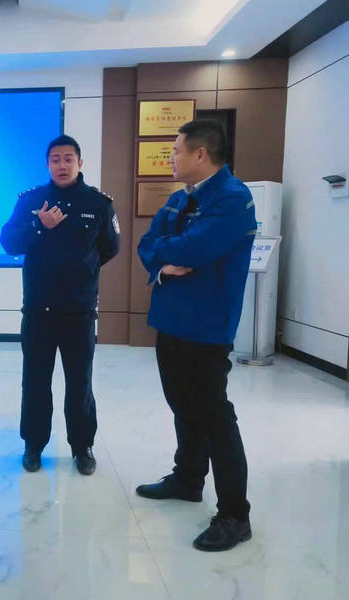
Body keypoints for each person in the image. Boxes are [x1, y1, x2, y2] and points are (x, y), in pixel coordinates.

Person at [136, 120, 256, 552]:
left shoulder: (233, 199)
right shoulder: (178, 199)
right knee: (182, 405)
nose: (171, 157)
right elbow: (146, 245)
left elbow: (193, 249)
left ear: (200, 154)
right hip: (170, 319)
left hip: (206, 325)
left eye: (176, 150)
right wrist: (164, 260)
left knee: (213, 415)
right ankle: (188, 479)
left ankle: (235, 514)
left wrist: (166, 252)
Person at [0, 134, 120, 475]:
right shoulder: (31, 201)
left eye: (69, 159)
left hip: (79, 312)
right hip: (38, 310)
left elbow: (110, 248)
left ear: (80, 163)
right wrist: (39, 225)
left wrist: (82, 273)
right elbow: (8, 242)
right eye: (55, 159)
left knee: (80, 383)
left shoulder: (98, 203)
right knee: (35, 381)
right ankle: (33, 445)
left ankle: (82, 447)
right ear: (47, 164)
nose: (62, 165)